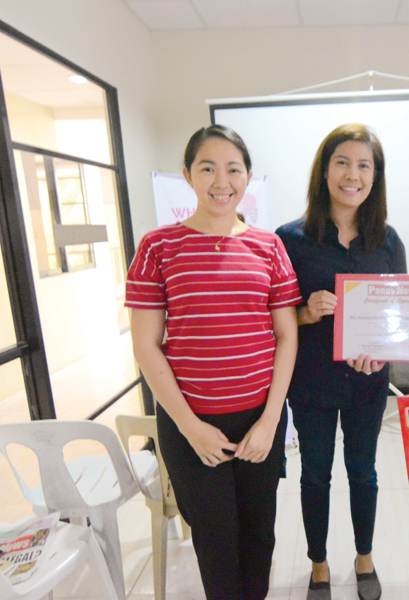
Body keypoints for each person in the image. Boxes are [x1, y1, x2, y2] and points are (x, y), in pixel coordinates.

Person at [125, 125, 301, 600]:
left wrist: (269, 421)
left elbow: (286, 336)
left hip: (258, 422)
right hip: (191, 424)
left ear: (247, 177)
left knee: (259, 535)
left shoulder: (269, 247)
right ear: (187, 175)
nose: (221, 181)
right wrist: (188, 426)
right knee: (215, 541)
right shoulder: (158, 248)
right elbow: (146, 345)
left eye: (233, 169)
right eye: (207, 168)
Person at [276, 124, 407, 600]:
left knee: (364, 470)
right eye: (343, 163)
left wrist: (385, 349)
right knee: (315, 473)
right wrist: (305, 312)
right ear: (325, 170)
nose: (353, 175)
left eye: (364, 166)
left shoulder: (388, 241)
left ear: (376, 176)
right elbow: (274, 318)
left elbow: (400, 318)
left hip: (368, 382)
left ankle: (365, 557)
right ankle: (318, 562)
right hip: (310, 380)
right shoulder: (289, 239)